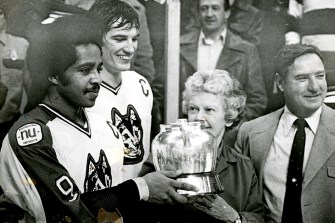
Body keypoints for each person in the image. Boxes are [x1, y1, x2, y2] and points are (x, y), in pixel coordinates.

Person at [0, 14, 197, 222]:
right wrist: (142, 188)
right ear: (54, 75)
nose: (97, 79)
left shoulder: (104, 126)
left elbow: (114, 200)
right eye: (85, 70)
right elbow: (65, 213)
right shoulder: (32, 137)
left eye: (98, 69)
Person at [146, 70, 265, 223]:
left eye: (209, 110)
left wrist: (232, 217)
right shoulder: (162, 156)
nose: (199, 118)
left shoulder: (243, 168)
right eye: (193, 109)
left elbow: (258, 218)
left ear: (229, 117)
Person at [236, 43, 335, 222]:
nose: (315, 87)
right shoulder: (251, 133)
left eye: (320, 76)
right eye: (302, 78)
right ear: (280, 83)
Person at [153, 0, 266, 147]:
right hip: (184, 140)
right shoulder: (178, 46)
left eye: (215, 8)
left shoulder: (246, 50)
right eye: (204, 9)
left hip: (227, 142)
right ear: (198, 13)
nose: (209, 14)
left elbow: (257, 100)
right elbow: (160, 91)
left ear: (227, 13)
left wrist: (230, 132)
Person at [87, 0, 153, 181]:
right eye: (119, 38)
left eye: (135, 39)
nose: (130, 48)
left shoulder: (140, 85)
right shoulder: (84, 92)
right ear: (97, 38)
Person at [0, 4, 30, 145]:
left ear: (5, 18)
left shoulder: (21, 45)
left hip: (10, 123)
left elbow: (28, 82)